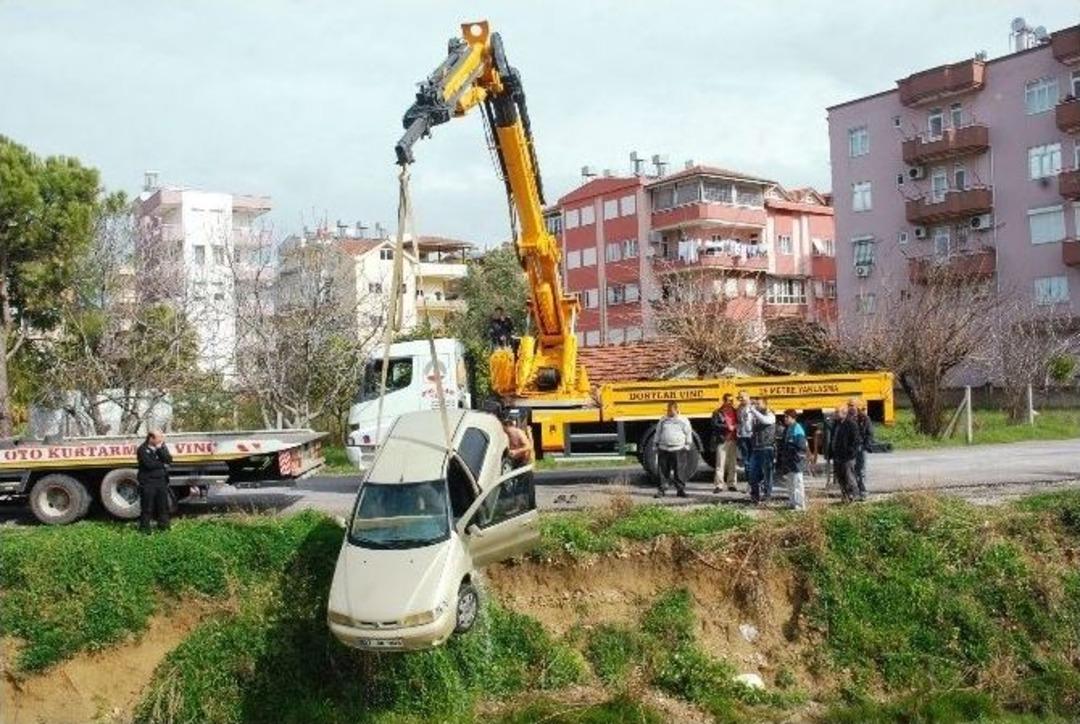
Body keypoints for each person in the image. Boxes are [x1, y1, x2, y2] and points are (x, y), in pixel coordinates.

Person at [652, 401, 693, 498]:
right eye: (668, 410)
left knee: (679, 470)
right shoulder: (663, 420)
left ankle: (680, 490)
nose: (669, 412)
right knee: (662, 471)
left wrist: (688, 444)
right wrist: (655, 444)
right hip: (664, 448)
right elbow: (658, 432)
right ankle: (661, 490)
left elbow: (688, 433)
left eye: (671, 410)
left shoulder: (683, 420)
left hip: (678, 449)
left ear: (676, 409)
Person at [137, 429, 173, 533]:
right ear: (151, 438)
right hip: (148, 482)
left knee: (163, 506)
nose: (161, 439)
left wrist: (159, 450)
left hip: (161, 481)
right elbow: (149, 465)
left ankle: (164, 527)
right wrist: (163, 465)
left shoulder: (161, 447)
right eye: (159, 437)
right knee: (147, 507)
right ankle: (144, 529)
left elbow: (169, 459)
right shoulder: (142, 449)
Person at [747, 399, 776, 504]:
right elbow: (749, 428)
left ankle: (767, 496)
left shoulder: (771, 415)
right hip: (756, 448)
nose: (756, 406)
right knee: (753, 473)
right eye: (755, 404)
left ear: (765, 404)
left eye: (759, 404)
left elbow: (765, 421)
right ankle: (755, 496)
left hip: (767, 448)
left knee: (767, 474)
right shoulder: (755, 416)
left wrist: (753, 411)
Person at [830, 406, 862, 503]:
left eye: (837, 412)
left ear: (844, 413)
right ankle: (845, 497)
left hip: (847, 457)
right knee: (840, 478)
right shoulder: (836, 424)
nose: (835, 414)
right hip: (837, 456)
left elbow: (856, 440)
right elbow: (833, 439)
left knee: (849, 476)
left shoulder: (851, 424)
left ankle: (854, 496)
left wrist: (850, 452)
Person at [779, 409, 808, 511]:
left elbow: (801, 446)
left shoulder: (797, 429)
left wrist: (796, 458)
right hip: (789, 461)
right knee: (790, 484)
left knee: (797, 484)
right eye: (785, 417)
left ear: (793, 418)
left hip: (796, 461)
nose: (785, 419)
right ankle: (793, 503)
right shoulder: (788, 428)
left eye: (787, 417)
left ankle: (800, 506)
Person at [710, 394, 738, 493]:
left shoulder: (735, 411)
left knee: (733, 463)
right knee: (720, 464)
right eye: (729, 400)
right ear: (724, 401)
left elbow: (739, 422)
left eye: (732, 400)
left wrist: (736, 426)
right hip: (722, 440)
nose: (731, 403)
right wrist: (727, 427)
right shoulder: (717, 412)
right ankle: (719, 485)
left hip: (733, 440)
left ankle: (732, 484)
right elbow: (714, 425)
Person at [847, 398, 874, 502]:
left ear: (857, 406)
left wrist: (865, 445)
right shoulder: (847, 418)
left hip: (861, 447)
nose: (850, 407)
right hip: (850, 449)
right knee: (851, 471)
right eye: (849, 405)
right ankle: (854, 492)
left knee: (861, 470)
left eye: (852, 405)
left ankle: (863, 491)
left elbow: (870, 433)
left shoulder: (864, 418)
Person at [735, 391, 754, 483]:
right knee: (746, 459)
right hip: (743, 436)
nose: (741, 399)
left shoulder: (753, 407)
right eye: (739, 398)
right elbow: (739, 421)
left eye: (742, 397)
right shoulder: (739, 408)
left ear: (748, 396)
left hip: (752, 436)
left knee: (754, 458)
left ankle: (756, 480)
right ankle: (749, 481)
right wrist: (738, 431)